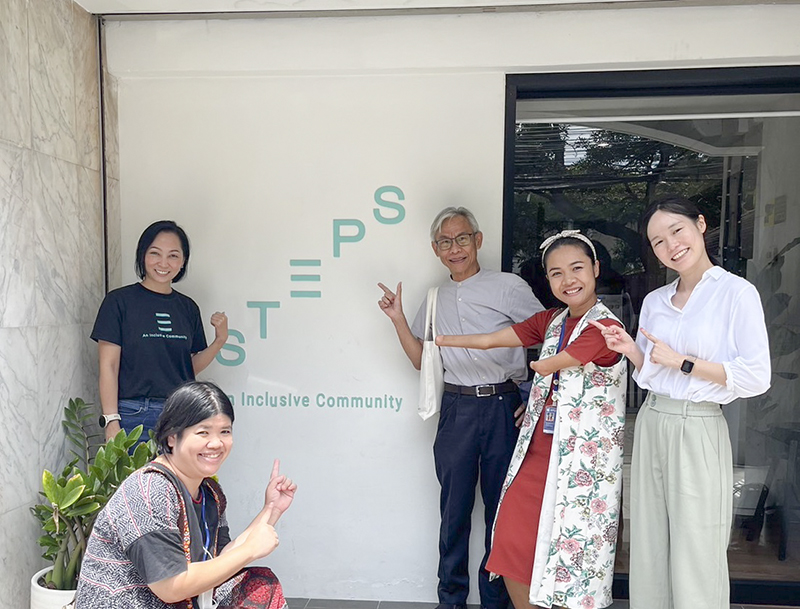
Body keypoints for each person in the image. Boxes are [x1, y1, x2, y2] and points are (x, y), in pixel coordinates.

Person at [593, 196, 771, 609]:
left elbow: (756, 376)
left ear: (700, 224)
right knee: (650, 541)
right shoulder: (656, 301)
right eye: (657, 241)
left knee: (698, 545)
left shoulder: (736, 294)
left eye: (676, 230)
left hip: (700, 425)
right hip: (655, 420)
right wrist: (630, 350)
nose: (670, 245)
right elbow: (653, 372)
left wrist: (685, 363)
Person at [437, 230, 627, 609]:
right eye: (556, 273)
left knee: (574, 554)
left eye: (577, 268)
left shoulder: (606, 327)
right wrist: (444, 342)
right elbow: (496, 338)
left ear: (595, 269)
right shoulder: (552, 320)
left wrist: (529, 379)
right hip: (538, 450)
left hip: (580, 462)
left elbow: (559, 361)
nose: (568, 280)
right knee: (509, 541)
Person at [377, 207, 543, 609]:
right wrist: (398, 319)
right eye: (446, 242)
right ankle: (450, 600)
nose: (456, 248)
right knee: (453, 512)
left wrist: (533, 397)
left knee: (501, 515)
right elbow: (420, 360)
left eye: (462, 238)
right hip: (456, 409)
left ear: (478, 240)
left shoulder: (508, 286)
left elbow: (547, 337)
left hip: (504, 406)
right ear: (436, 249)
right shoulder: (435, 298)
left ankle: (496, 601)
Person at [76, 381, 296, 609]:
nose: (216, 443)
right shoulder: (150, 490)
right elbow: (170, 586)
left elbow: (218, 562)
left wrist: (271, 510)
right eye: (203, 432)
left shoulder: (210, 493)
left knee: (260, 585)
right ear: (172, 437)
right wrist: (250, 551)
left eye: (225, 431)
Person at [91, 220, 229, 441]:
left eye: (173, 255)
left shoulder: (187, 307)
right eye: (155, 253)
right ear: (142, 255)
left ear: (183, 261)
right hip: (132, 414)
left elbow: (188, 367)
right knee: (138, 477)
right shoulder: (119, 302)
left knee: (179, 477)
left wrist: (219, 341)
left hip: (181, 414)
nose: (163, 263)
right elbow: (109, 365)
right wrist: (111, 420)